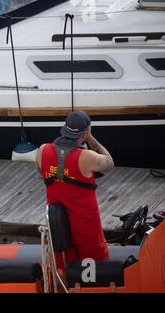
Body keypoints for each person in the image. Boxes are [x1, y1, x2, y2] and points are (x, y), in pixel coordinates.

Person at [36, 110, 114, 267]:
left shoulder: (42, 151)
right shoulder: (87, 157)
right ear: (85, 133)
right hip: (86, 225)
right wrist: (90, 137)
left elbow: (42, 172)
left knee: (63, 264)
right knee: (93, 268)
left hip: (59, 224)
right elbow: (109, 163)